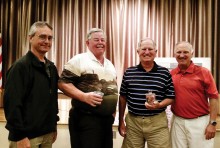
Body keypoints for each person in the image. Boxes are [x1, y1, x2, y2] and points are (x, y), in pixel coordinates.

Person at [58, 28, 118, 148]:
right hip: (85, 119)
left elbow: (112, 88)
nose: (100, 42)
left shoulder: (109, 64)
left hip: (106, 121)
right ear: (87, 43)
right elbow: (62, 83)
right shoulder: (79, 60)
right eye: (96, 40)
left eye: (103, 40)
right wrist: (84, 96)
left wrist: (112, 111)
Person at [3, 21, 59, 148]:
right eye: (42, 37)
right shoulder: (20, 67)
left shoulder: (51, 68)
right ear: (30, 38)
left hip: (47, 135)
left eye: (50, 38)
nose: (47, 41)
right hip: (26, 137)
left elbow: (52, 101)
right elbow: (12, 104)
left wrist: (53, 126)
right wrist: (20, 135)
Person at [118, 37, 175, 148]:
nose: (147, 52)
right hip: (133, 123)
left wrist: (160, 105)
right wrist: (121, 122)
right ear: (138, 51)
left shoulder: (164, 73)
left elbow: (171, 96)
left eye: (150, 49)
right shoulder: (129, 72)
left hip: (157, 123)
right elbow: (122, 98)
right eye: (144, 49)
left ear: (155, 52)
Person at [170, 41, 219, 148]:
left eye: (185, 52)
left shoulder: (204, 72)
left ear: (192, 53)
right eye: (178, 52)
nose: (182, 55)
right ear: (174, 54)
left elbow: (214, 97)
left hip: (199, 122)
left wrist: (212, 123)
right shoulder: (171, 74)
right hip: (177, 122)